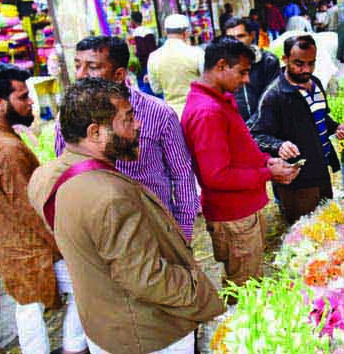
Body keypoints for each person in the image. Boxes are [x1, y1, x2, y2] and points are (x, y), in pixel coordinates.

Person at [29, 78, 224, 354]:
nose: (138, 126)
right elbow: (146, 278)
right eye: (128, 119)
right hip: (148, 335)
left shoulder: (44, 176)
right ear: (95, 132)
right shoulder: (109, 195)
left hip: (103, 326)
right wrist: (199, 291)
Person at [55, 36, 200, 241]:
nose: (80, 75)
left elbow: (182, 173)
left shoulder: (158, 113)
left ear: (119, 74)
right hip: (103, 234)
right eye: (77, 65)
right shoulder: (66, 118)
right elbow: (65, 171)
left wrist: (182, 231)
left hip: (156, 229)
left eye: (92, 67)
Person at [181, 36, 298, 289]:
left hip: (242, 211)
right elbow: (216, 176)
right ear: (221, 65)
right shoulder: (207, 112)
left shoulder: (218, 99)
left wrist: (268, 163)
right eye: (243, 72)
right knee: (244, 287)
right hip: (234, 216)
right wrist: (268, 174)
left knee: (249, 276)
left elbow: (239, 150)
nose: (247, 80)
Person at [0, 63, 87, 354]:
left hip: (10, 247)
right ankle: (74, 345)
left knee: (27, 308)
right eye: (22, 96)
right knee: (88, 284)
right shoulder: (5, 148)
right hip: (34, 247)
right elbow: (31, 207)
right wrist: (67, 242)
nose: (31, 102)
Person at [251, 35, 344, 222]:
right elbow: (256, 135)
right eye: (298, 63)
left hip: (322, 169)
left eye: (311, 63)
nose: (306, 69)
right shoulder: (274, 95)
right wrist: (278, 145)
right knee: (306, 233)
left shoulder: (316, 83)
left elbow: (320, 117)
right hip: (297, 179)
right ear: (285, 59)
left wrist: (336, 127)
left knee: (328, 225)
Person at [224, 17, 281, 122]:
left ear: (252, 36)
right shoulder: (221, 65)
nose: (236, 41)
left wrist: (251, 128)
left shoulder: (267, 61)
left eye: (241, 36)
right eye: (231, 38)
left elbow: (270, 100)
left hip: (265, 126)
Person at [147, 14, 204, 116]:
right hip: (197, 111)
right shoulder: (197, 53)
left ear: (166, 32)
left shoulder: (153, 57)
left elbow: (156, 89)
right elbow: (206, 81)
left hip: (172, 115)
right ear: (186, 33)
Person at [130, 11, 158, 96]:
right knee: (153, 86)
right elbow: (153, 48)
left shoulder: (134, 34)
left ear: (133, 21)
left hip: (141, 65)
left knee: (144, 88)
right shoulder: (149, 31)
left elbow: (136, 52)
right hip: (152, 62)